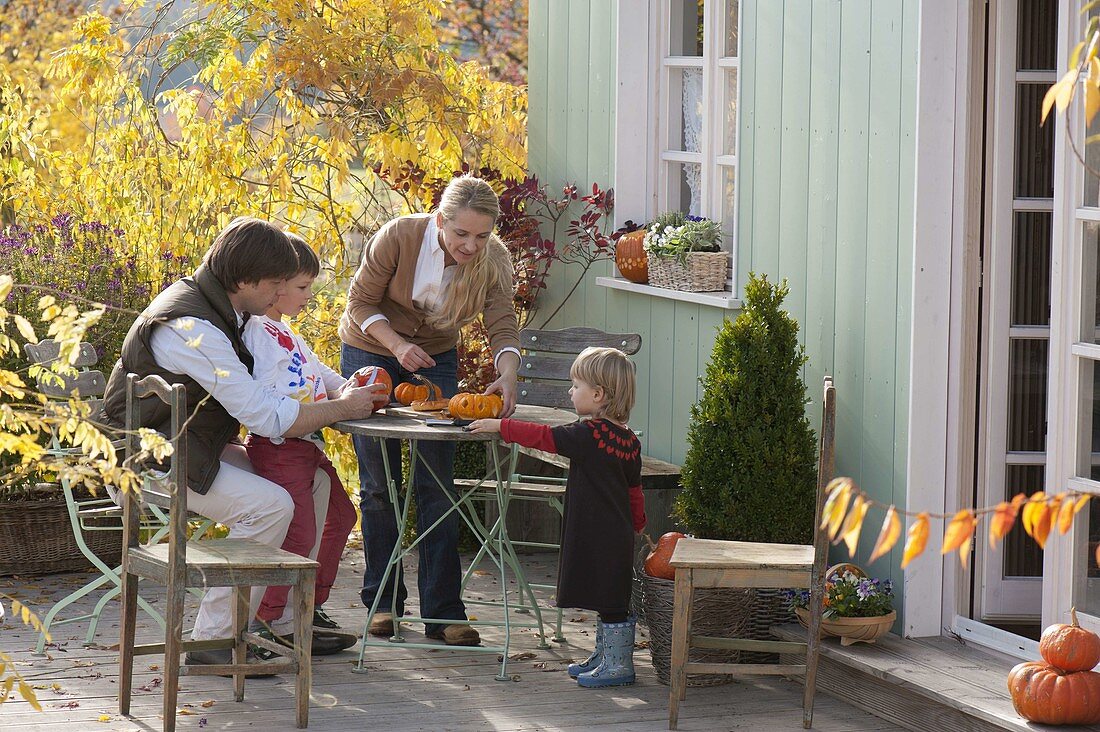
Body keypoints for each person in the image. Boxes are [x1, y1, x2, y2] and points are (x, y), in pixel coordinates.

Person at [102, 217, 389, 670]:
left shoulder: (227, 311)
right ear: (243, 279)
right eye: (275, 284)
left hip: (190, 446)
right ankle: (214, 640)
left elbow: (282, 381)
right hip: (143, 460)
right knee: (271, 504)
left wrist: (333, 393)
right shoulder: (191, 328)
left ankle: (288, 624)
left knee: (312, 484)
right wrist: (341, 408)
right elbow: (265, 415)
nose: (279, 296)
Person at [338, 174, 520, 646]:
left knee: (437, 484)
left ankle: (443, 612)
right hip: (371, 348)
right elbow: (358, 302)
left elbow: (502, 322)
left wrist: (508, 370)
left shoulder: (492, 262)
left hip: (435, 358)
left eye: (481, 236)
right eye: (461, 234)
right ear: (440, 220)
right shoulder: (398, 237)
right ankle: (383, 603)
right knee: (379, 484)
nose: (470, 245)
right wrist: (396, 347)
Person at [468, 346, 646, 688]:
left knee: (610, 600)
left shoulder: (588, 435)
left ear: (598, 395)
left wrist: (500, 425)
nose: (570, 391)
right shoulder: (629, 442)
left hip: (596, 531)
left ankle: (619, 665)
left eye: (576, 386)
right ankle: (606, 656)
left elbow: (543, 437)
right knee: (609, 593)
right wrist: (638, 524)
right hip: (617, 532)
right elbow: (634, 490)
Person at [242, 234, 359, 652]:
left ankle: (305, 606)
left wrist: (348, 387)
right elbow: (268, 392)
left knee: (342, 516)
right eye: (303, 288)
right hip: (279, 446)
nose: (309, 296)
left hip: (308, 444)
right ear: (275, 287)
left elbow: (316, 371)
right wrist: (333, 406)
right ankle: (265, 621)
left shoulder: (285, 329)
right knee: (297, 533)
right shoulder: (258, 331)